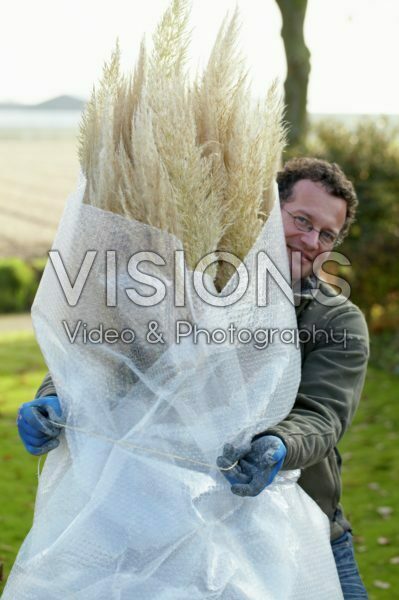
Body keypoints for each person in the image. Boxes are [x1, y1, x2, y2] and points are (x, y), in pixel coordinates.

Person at [17, 157, 369, 599]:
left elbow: (322, 415)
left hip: (304, 531)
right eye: (302, 220)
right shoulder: (200, 289)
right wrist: (57, 396)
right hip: (172, 527)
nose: (312, 240)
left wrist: (280, 444)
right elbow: (112, 356)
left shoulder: (337, 320)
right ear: (267, 211)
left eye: (327, 234)